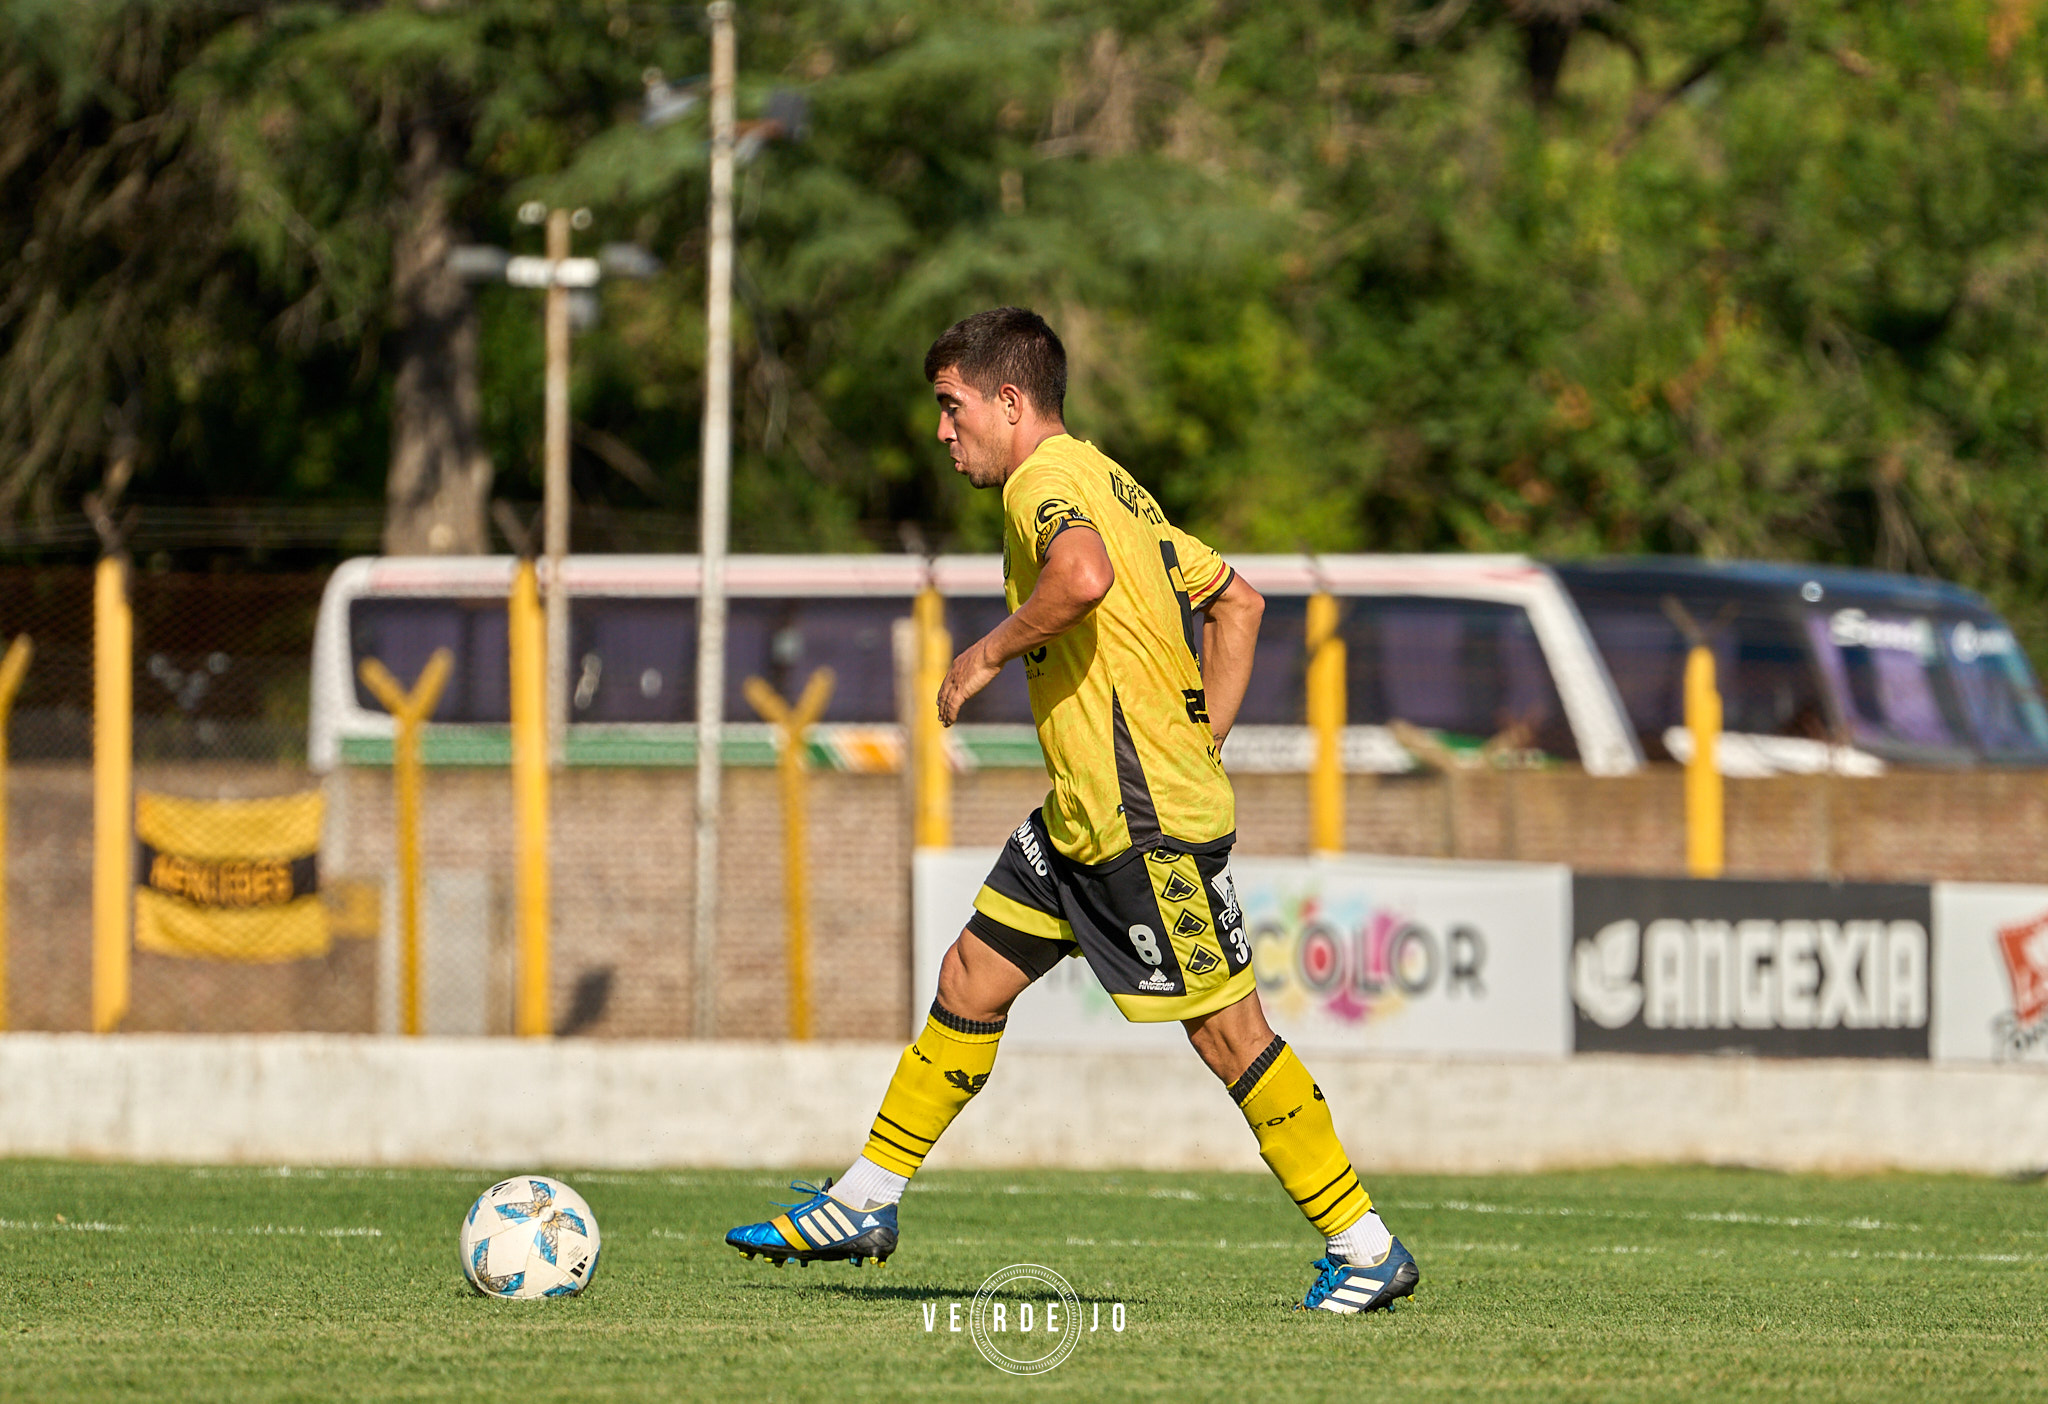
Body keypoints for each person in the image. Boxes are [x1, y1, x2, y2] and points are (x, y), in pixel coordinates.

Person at [724, 307, 1419, 1315]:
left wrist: (985, 653)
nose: (940, 431)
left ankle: (1365, 1246)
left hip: (1140, 823)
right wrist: (1198, 740)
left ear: (1008, 402)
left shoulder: (1043, 484)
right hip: (1083, 814)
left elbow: (1081, 578)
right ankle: (864, 1199)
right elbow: (1238, 602)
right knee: (971, 972)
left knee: (1228, 1035)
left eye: (950, 407)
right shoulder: (1112, 483)